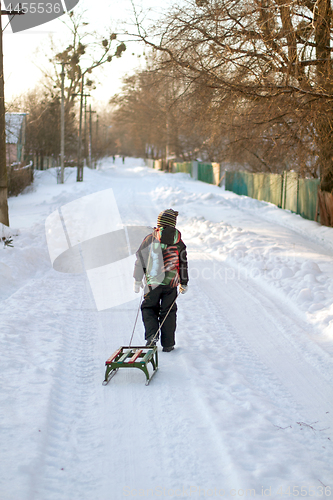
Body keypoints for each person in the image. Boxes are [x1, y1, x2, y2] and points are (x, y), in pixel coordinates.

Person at [133, 209, 188, 352]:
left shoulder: (150, 239)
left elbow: (141, 260)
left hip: (153, 283)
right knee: (168, 312)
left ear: (159, 223)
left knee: (149, 308)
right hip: (171, 284)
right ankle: (168, 344)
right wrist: (184, 282)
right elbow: (183, 263)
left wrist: (138, 279)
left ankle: (152, 336)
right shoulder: (179, 242)